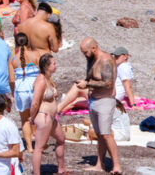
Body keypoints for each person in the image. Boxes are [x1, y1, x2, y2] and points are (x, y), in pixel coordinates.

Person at [77, 37, 122, 174]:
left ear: (94, 48)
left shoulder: (106, 60)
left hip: (105, 100)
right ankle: (100, 164)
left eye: (86, 52)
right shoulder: (91, 59)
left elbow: (108, 83)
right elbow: (90, 76)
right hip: (93, 100)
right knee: (99, 134)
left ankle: (117, 166)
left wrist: (88, 84)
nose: (84, 55)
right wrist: (84, 81)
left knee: (106, 134)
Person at [29, 54, 66, 175]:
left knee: (61, 139)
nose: (56, 65)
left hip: (51, 117)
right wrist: (32, 117)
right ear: (46, 66)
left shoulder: (48, 78)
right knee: (39, 148)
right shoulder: (41, 80)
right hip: (43, 116)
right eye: (53, 63)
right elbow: (35, 102)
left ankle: (61, 168)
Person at [9, 31, 45, 152]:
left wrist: (13, 93)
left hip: (21, 89)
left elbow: (11, 79)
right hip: (35, 88)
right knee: (37, 117)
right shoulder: (36, 55)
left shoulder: (12, 59)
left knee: (25, 120)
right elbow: (43, 73)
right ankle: (40, 144)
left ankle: (29, 147)